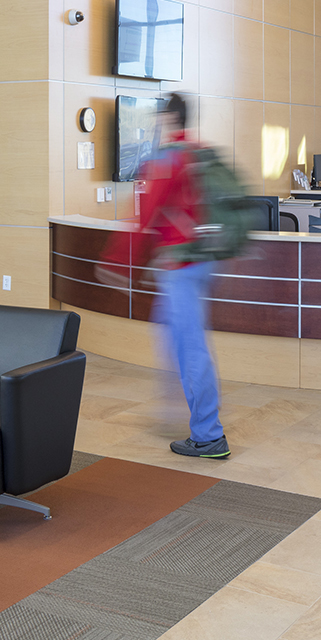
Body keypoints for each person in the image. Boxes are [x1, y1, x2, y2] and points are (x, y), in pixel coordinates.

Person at [133, 92, 232, 460]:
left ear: (170, 116)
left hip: (182, 265)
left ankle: (208, 435)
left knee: (190, 347)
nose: (158, 120)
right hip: (200, 261)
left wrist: (118, 262)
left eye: (161, 114)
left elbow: (146, 217)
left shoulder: (169, 158)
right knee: (174, 335)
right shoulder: (199, 152)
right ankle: (179, 408)